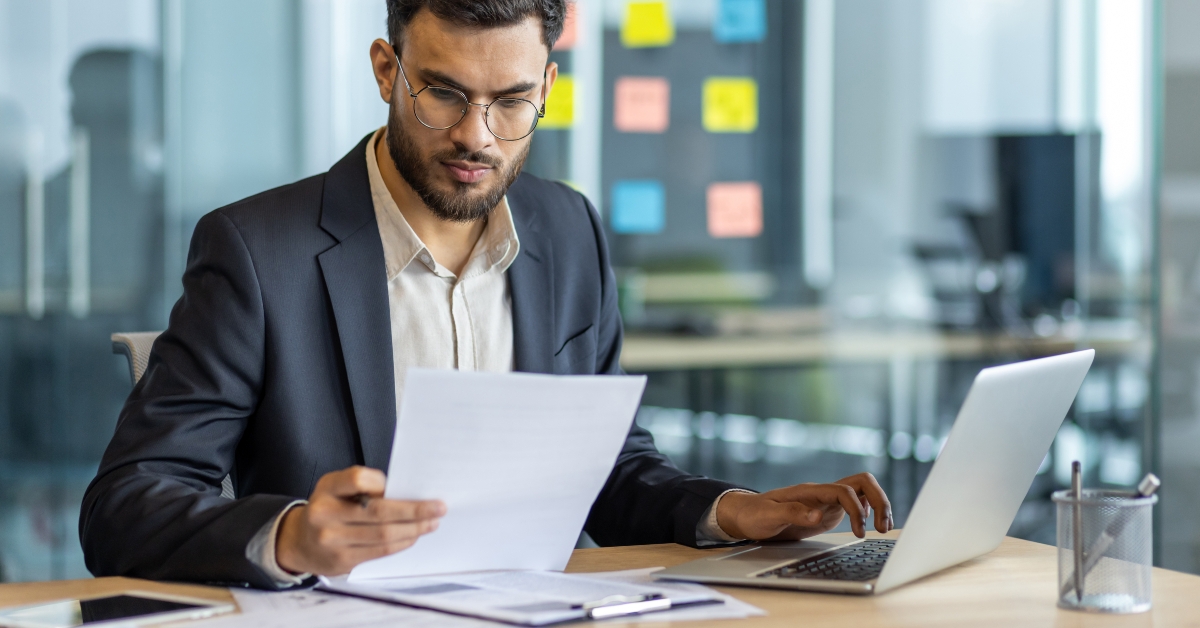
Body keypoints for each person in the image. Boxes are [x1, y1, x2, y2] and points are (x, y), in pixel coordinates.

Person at [80, 0, 892, 589]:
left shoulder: (568, 229)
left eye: (511, 102)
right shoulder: (259, 251)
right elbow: (124, 507)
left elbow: (608, 473)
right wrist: (292, 536)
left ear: (547, 80)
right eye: (444, 94)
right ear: (386, 69)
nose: (478, 135)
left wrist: (735, 512)